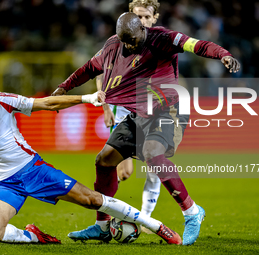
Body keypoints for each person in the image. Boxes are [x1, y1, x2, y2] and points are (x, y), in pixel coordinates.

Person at [52, 13, 240, 245]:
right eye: (124, 41)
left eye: (132, 39)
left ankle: (192, 212)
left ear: (142, 28)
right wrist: (64, 87)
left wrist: (224, 55)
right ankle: (102, 226)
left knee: (153, 153)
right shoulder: (113, 45)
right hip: (138, 114)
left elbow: (197, 45)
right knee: (104, 160)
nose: (128, 45)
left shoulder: (163, 38)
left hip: (168, 110)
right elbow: (90, 68)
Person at [0, 73, 183, 245]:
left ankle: (157, 226)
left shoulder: (3, 101)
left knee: (91, 200)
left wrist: (87, 98)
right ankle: (36, 237)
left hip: (33, 170)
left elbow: (48, 103)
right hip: (5, 181)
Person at [96, 0, 161, 222]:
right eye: (137, 17)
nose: (141, 21)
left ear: (155, 18)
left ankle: (146, 217)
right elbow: (98, 72)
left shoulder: (163, 43)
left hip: (154, 114)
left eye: (146, 17)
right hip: (125, 112)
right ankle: (106, 218)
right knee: (124, 172)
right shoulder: (119, 42)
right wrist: (105, 106)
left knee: (155, 164)